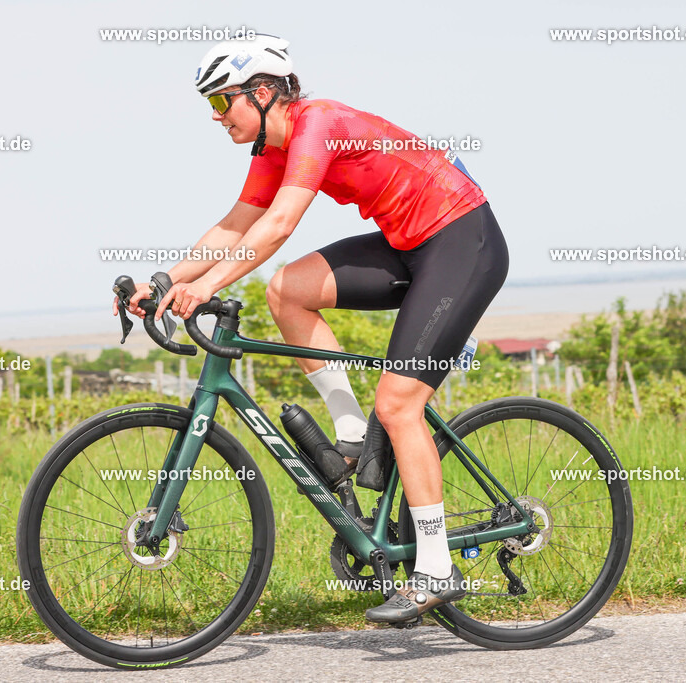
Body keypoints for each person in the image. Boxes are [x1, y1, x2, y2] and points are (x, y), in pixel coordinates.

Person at [117, 34, 509, 624]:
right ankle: (351, 433)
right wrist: (164, 279)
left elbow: (277, 225)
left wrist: (210, 287)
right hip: (408, 245)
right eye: (211, 106)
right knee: (286, 290)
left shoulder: (318, 123)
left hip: (462, 240)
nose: (217, 117)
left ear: (265, 91)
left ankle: (435, 568)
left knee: (400, 406)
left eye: (223, 103)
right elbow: (234, 226)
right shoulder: (269, 150)